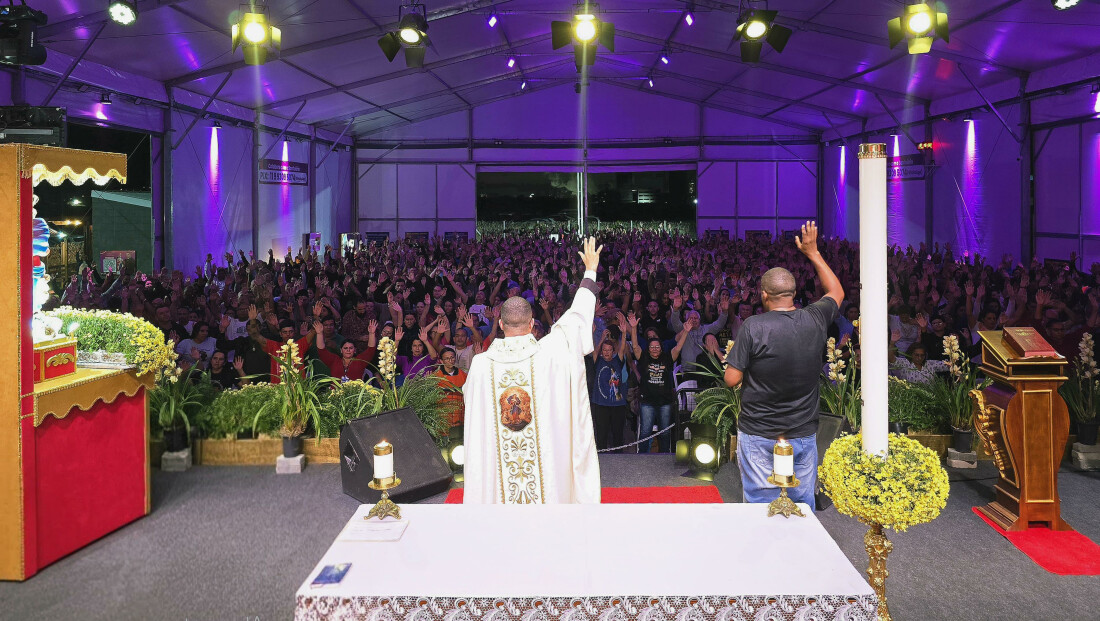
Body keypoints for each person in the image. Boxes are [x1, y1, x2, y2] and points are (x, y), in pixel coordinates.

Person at [463, 237, 602, 504]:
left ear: (500, 324)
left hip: (497, 489)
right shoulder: (553, 351)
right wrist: (590, 272)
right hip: (549, 485)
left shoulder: (481, 366)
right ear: (532, 324)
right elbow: (577, 317)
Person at [725, 221, 843, 508]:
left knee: (760, 503)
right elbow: (837, 291)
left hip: (758, 431)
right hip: (801, 431)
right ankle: (802, 552)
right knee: (802, 502)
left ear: (764, 294)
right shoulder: (815, 319)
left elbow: (731, 379)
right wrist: (813, 253)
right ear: (793, 293)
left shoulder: (753, 327)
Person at [629, 312, 687, 453]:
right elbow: (635, 346)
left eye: (657, 347)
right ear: (648, 349)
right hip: (647, 402)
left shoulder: (667, 358)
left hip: (665, 402)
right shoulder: (644, 358)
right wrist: (634, 328)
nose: (655, 349)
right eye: (652, 347)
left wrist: (686, 331)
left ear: (661, 348)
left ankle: (664, 457)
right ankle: (642, 457)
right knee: (645, 432)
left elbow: (678, 347)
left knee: (665, 432)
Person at [590, 323, 629, 452]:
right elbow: (594, 351)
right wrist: (601, 338)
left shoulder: (617, 360)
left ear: (613, 352)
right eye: (604, 350)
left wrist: (624, 334)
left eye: (609, 350)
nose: (606, 352)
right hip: (601, 403)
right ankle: (602, 458)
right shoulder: (598, 361)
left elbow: (622, 349)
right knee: (601, 434)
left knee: (617, 434)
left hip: (617, 404)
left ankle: (618, 460)